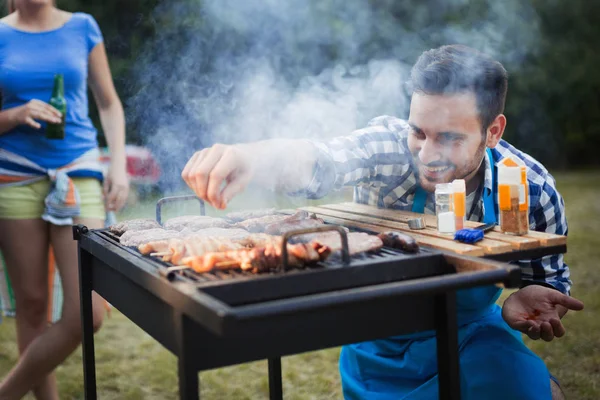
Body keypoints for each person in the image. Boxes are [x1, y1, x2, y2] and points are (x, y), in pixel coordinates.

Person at [181, 44, 585, 399]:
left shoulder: (531, 188)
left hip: (472, 337)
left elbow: (547, 277)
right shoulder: (390, 149)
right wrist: (254, 156)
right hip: (379, 344)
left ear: (492, 131)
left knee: (524, 387)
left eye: (449, 137)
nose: (426, 154)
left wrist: (530, 295)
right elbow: (322, 159)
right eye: (418, 132)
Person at [0, 0, 129, 399]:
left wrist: (119, 166)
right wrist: (16, 114)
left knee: (87, 315)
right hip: (14, 178)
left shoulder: (83, 27)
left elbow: (107, 103)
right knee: (33, 306)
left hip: (79, 172)